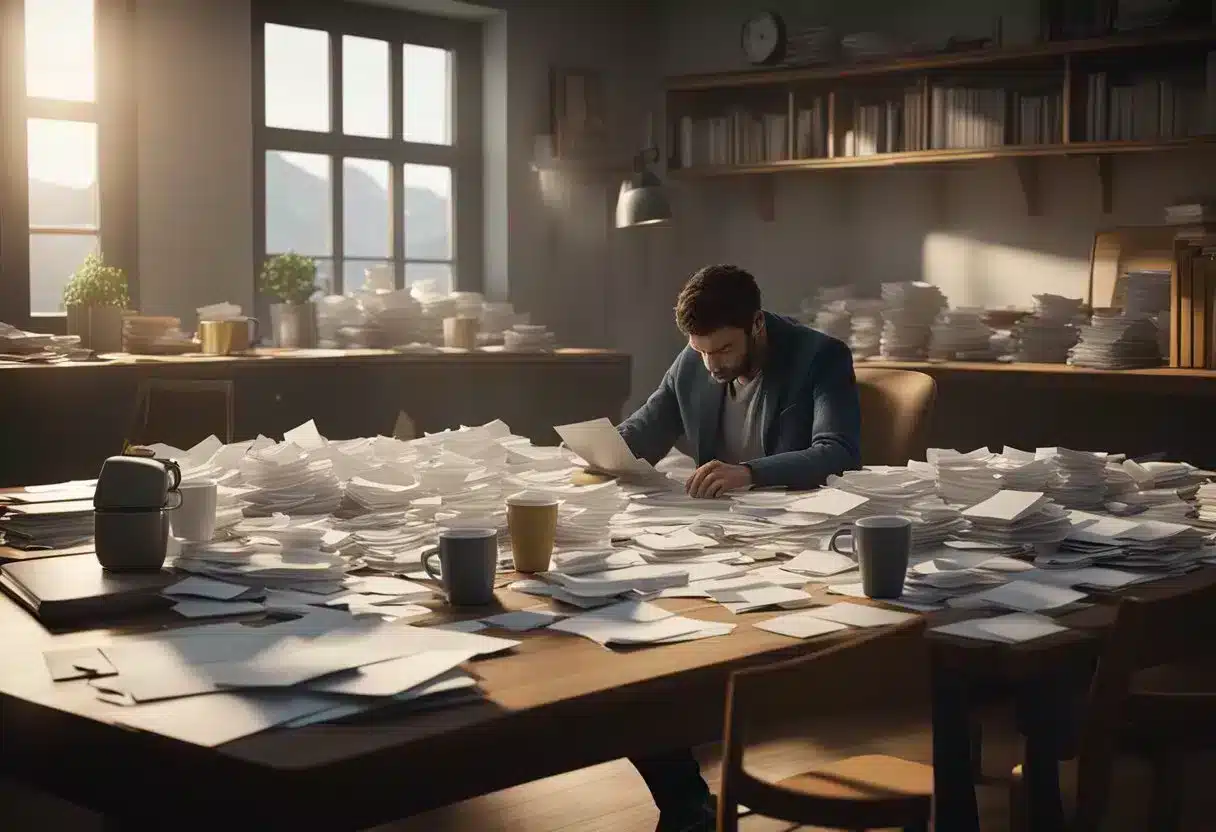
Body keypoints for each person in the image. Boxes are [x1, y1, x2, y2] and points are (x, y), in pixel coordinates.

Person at [617, 264, 862, 832]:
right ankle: (686, 804)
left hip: (790, 547)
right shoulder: (697, 359)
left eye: (724, 349)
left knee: (659, 649)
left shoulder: (820, 356)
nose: (713, 364)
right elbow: (643, 434)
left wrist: (748, 472)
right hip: (709, 541)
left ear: (756, 324)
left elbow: (838, 451)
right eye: (700, 351)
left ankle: (686, 802)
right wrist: (595, 451)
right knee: (631, 636)